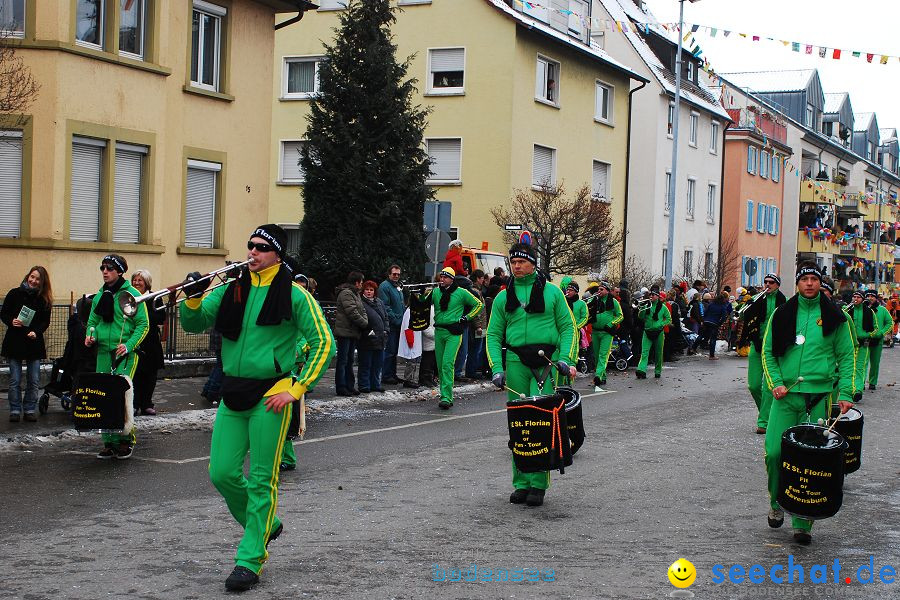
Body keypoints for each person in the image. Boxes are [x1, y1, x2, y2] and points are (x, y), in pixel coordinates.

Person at [180, 224, 335, 592]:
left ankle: (250, 559)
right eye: (250, 245)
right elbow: (195, 323)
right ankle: (267, 523)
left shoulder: (296, 295)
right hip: (233, 392)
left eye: (261, 247)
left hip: (271, 394)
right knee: (222, 473)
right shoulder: (233, 287)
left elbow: (324, 343)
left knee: (264, 478)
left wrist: (296, 388)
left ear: (277, 254)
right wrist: (192, 297)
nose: (252, 252)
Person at [761, 263, 856, 545]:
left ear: (820, 283)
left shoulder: (834, 317)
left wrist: (847, 393)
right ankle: (777, 502)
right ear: (798, 283)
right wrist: (776, 383)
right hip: (786, 396)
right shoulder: (782, 314)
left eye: (815, 279)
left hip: (817, 398)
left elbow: (848, 355)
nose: (810, 284)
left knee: (810, 461)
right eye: (805, 279)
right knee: (775, 454)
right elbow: (768, 352)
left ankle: (803, 522)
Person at [487, 237, 577, 507]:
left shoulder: (552, 293)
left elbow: (568, 327)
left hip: (546, 363)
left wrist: (565, 358)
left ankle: (539, 484)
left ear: (533, 265)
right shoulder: (504, 297)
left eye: (521, 262)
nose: (516, 267)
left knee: (542, 424)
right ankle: (521, 482)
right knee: (520, 424)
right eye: (513, 262)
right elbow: (493, 334)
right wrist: (496, 367)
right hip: (516, 361)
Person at [85, 255, 149, 460]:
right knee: (103, 396)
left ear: (120, 271)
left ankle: (125, 441)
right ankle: (109, 442)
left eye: (110, 268)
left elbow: (143, 325)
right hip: (103, 351)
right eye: (102, 267)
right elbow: (92, 322)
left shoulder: (132, 294)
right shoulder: (100, 295)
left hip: (124, 354)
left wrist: (129, 345)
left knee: (121, 396)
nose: (105, 271)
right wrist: (91, 336)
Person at [1, 266, 53, 422]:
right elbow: (4, 313)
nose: (33, 281)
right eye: (32, 277)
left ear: (42, 282)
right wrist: (12, 321)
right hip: (14, 341)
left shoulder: (44, 300)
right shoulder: (14, 293)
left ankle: (30, 409)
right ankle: (15, 410)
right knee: (15, 379)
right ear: (27, 276)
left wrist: (36, 332)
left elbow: (45, 322)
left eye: (37, 279)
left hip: (33, 343)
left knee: (34, 379)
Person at [740, 274, 786, 434]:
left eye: (771, 282)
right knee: (753, 385)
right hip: (757, 344)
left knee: (768, 387)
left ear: (777, 285)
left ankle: (764, 422)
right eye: (765, 282)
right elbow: (746, 319)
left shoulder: (783, 301)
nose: (767, 285)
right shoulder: (757, 298)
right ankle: (767, 413)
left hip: (774, 347)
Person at [431, 267, 482, 409]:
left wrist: (466, 318)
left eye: (445, 277)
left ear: (452, 279)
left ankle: (447, 397)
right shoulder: (435, 292)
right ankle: (443, 394)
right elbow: (423, 304)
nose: (442, 279)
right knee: (441, 366)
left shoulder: (461, 293)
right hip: (439, 330)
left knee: (447, 364)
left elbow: (478, 304)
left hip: (453, 332)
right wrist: (420, 297)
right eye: (441, 277)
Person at [130, 269, 164, 416]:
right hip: (135, 340)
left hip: (150, 342)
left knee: (150, 375)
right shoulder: (128, 297)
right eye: (135, 280)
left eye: (140, 280)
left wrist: (144, 316)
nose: (136, 283)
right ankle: (134, 404)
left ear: (147, 283)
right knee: (135, 374)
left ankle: (147, 404)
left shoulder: (155, 298)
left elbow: (161, 317)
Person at [333, 271, 368, 396]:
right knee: (343, 360)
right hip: (345, 332)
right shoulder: (346, 293)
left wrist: (364, 320)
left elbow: (362, 310)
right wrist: (364, 323)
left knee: (350, 360)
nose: (362, 285)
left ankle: (349, 385)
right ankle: (341, 386)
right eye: (361, 282)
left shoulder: (355, 294)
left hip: (352, 331)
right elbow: (352, 312)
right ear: (357, 282)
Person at [586, 281, 622, 389]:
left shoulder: (614, 302)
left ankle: (598, 376)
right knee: (597, 356)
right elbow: (587, 308)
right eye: (598, 289)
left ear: (607, 290)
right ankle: (603, 376)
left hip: (607, 332)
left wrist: (611, 324)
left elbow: (620, 316)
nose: (599, 291)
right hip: (595, 331)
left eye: (601, 289)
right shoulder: (595, 299)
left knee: (603, 355)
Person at [843, 290, 876, 402]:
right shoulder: (847, 310)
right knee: (849, 367)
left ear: (862, 299)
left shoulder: (869, 311)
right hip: (850, 344)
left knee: (859, 368)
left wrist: (868, 335)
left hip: (863, 344)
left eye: (858, 297)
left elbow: (875, 328)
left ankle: (858, 390)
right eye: (854, 297)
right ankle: (849, 389)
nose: (855, 299)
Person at [357, 280, 389, 393]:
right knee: (366, 363)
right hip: (367, 337)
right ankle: (364, 385)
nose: (369, 292)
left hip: (380, 337)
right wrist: (368, 330)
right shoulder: (360, 302)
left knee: (377, 364)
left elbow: (385, 317)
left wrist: (386, 330)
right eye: (367, 289)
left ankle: (375, 384)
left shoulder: (379, 302)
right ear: (363, 291)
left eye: (371, 290)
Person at [635, 286, 671, 379]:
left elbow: (668, 319)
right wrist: (642, 308)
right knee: (645, 352)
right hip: (647, 332)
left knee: (658, 353)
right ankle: (641, 370)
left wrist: (661, 324)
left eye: (653, 295)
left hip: (659, 333)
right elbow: (641, 317)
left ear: (658, 296)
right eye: (650, 294)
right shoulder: (647, 305)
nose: (651, 296)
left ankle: (658, 371)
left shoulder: (663, 307)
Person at [378, 265, 404, 385]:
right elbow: (386, 307)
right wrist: (395, 319)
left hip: (398, 323)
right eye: (394, 274)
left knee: (394, 351)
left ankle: (392, 374)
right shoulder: (385, 286)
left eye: (398, 274)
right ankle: (387, 375)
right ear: (389, 274)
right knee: (389, 350)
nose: (396, 276)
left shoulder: (397, 286)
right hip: (391, 324)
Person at [864, 290, 892, 391]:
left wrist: (881, 333)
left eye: (872, 296)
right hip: (864, 340)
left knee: (875, 363)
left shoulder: (882, 310)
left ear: (876, 298)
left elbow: (890, 323)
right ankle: (860, 382)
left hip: (877, 341)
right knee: (863, 363)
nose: (870, 298)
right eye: (868, 296)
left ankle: (872, 382)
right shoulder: (862, 308)